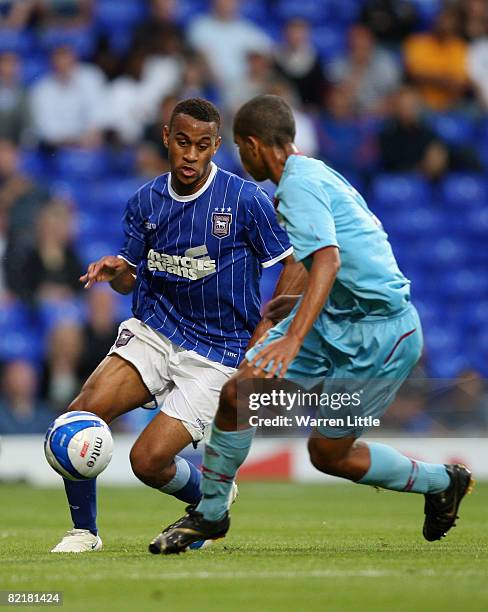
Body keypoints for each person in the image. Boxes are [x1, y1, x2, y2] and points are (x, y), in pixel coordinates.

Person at [153, 95, 473, 554]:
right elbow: (326, 253)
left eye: (241, 151)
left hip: (378, 333)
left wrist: (294, 336)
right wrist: (296, 303)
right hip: (336, 318)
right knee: (238, 395)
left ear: (252, 145)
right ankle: (210, 514)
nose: (242, 161)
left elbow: (327, 257)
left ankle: (442, 481)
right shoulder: (312, 173)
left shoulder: (296, 187)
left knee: (329, 454)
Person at [49, 98, 299, 553]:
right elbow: (129, 279)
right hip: (156, 330)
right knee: (77, 416)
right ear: (166, 137)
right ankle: (84, 531)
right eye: (182, 142)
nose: (190, 155)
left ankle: (208, 499)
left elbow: (295, 261)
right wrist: (118, 271)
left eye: (202, 146)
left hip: (218, 350)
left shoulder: (244, 200)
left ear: (216, 146)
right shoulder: (146, 200)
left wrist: (270, 326)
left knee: (147, 462)